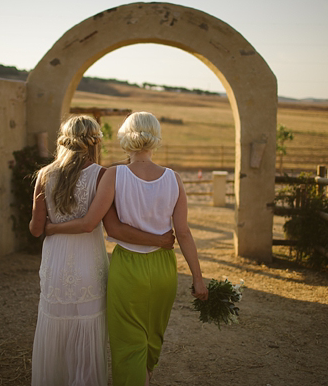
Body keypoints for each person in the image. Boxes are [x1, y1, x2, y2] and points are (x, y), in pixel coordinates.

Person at [46, 111, 209, 386]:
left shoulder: (113, 175)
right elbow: (183, 232)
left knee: (127, 345)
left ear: (124, 138)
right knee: (152, 340)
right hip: (164, 269)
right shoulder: (174, 179)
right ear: (155, 139)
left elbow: (109, 228)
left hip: (127, 268)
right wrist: (198, 278)